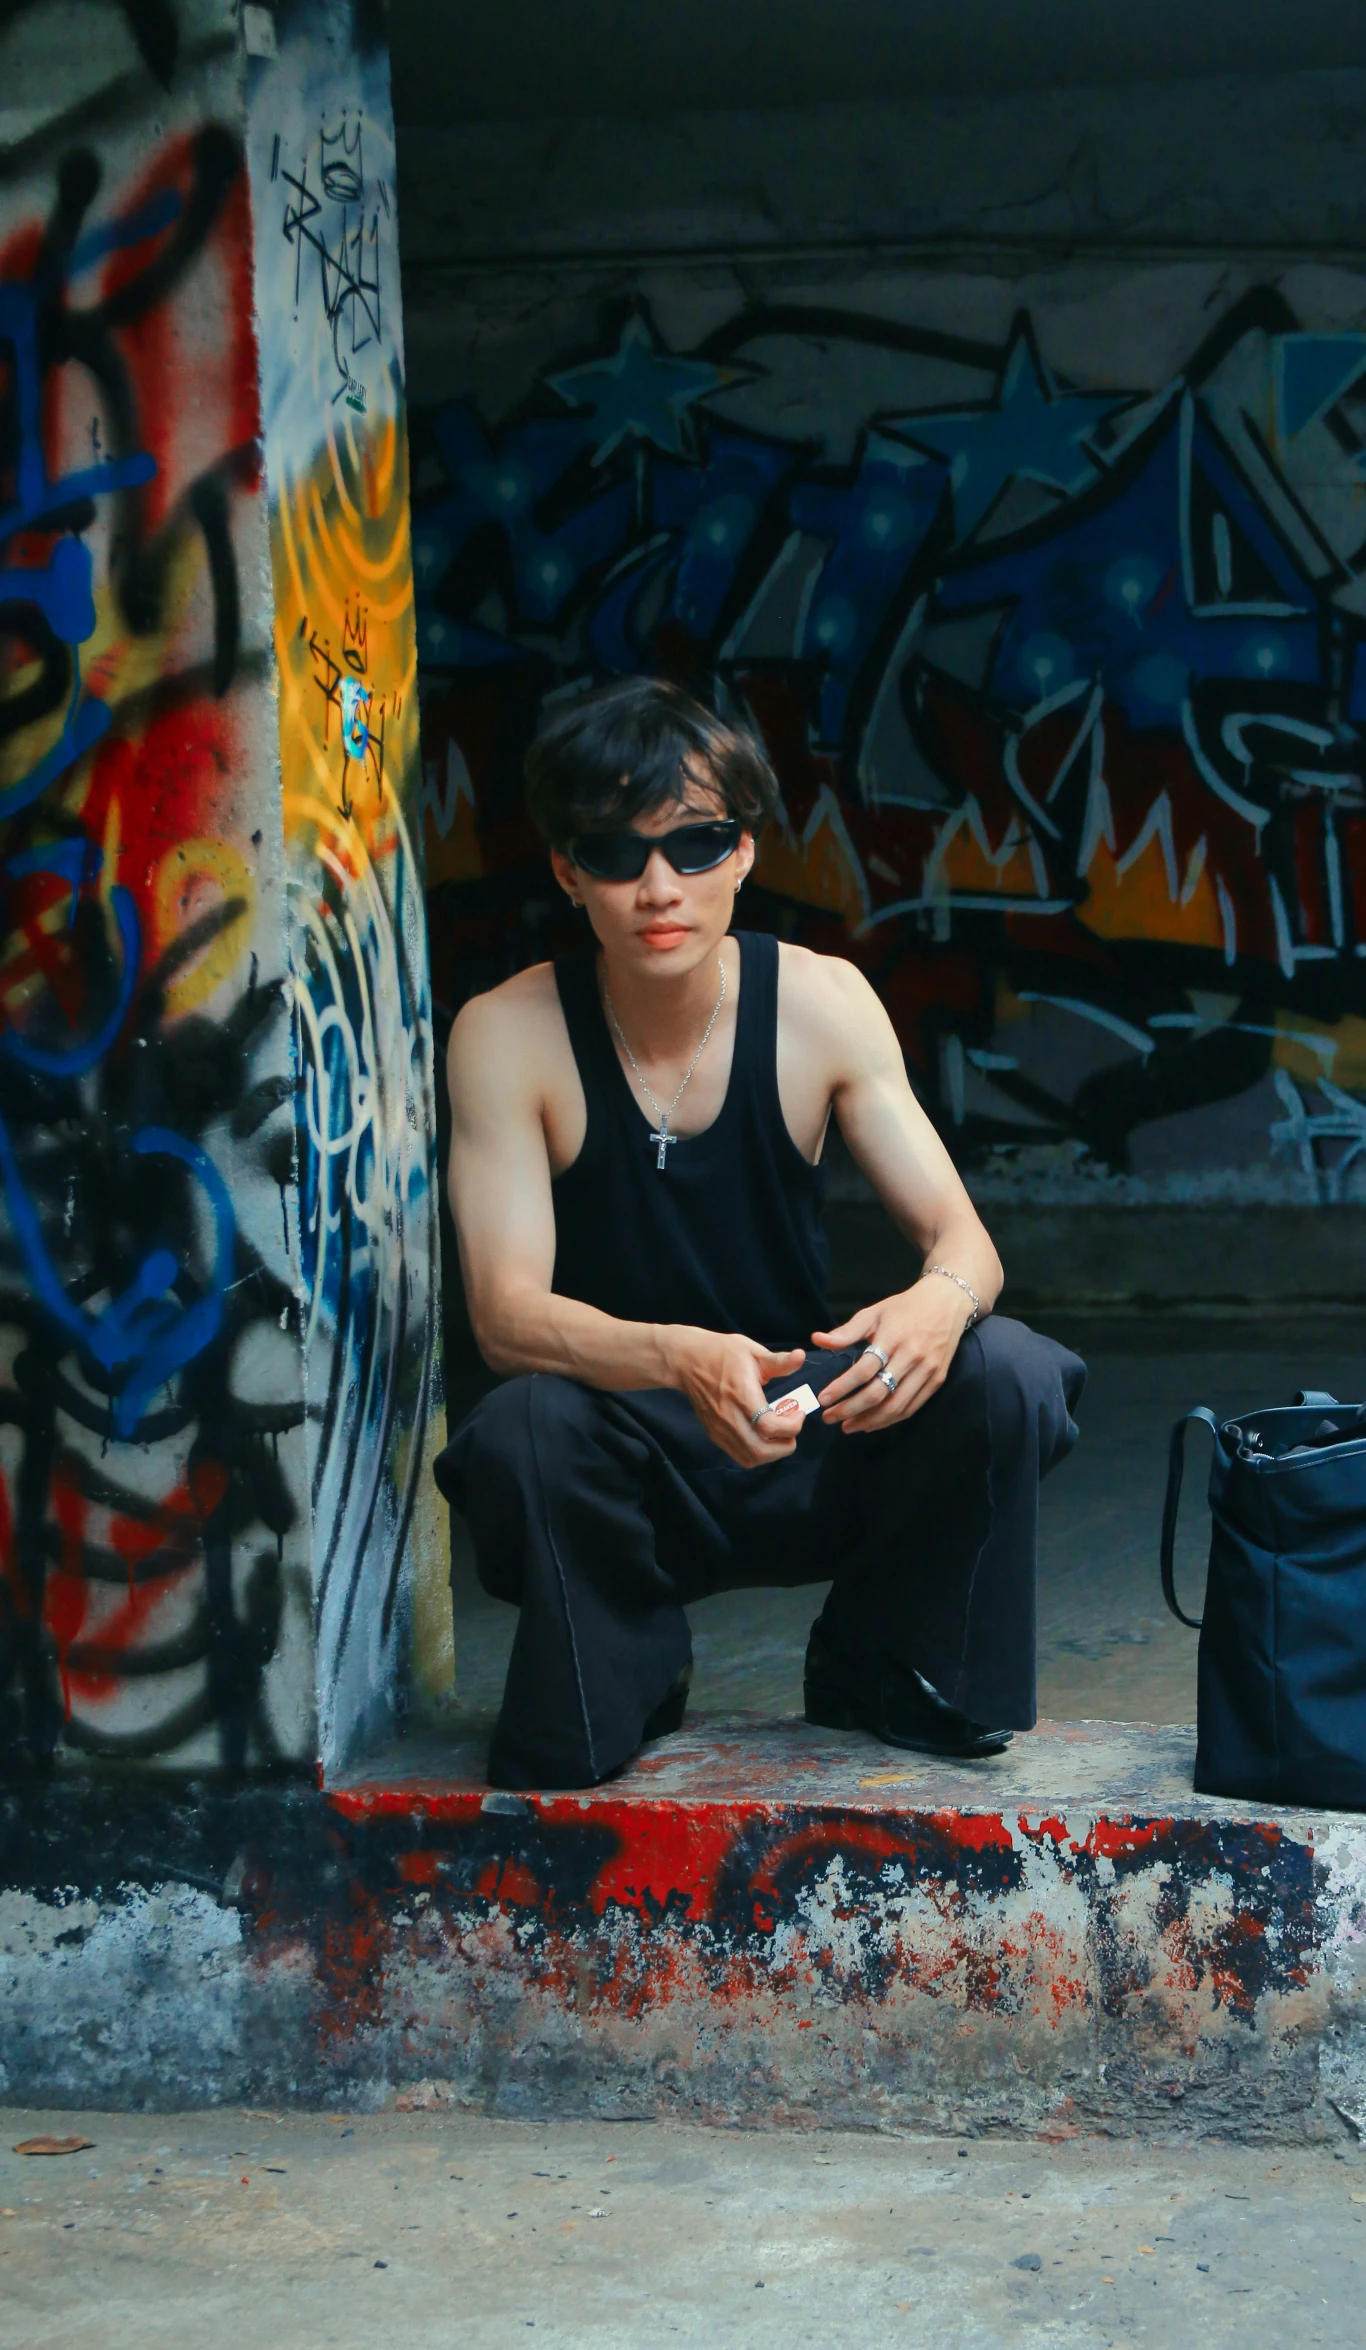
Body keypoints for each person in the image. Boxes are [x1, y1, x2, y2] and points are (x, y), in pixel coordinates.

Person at [434, 676, 1085, 1789]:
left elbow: (964, 1240)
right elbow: (504, 1315)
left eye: (695, 846)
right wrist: (679, 1357)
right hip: (632, 1456)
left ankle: (891, 1661)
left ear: (742, 852)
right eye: (613, 852)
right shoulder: (506, 1032)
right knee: (520, 1430)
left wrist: (938, 1301)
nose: (657, 888)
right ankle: (627, 1667)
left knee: (1005, 1367)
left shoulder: (822, 1003)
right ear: (564, 868)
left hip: (806, 1423)